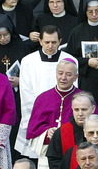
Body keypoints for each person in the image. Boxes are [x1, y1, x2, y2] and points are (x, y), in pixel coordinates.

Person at [15, 25, 76, 158]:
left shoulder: (70, 61)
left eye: (54, 42)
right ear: (40, 41)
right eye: (47, 42)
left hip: (63, 115)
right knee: (36, 156)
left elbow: (73, 93)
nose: (50, 46)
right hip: (37, 116)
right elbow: (25, 92)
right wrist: (35, 118)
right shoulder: (28, 61)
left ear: (60, 41)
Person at [47, 92, 98, 169]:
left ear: (93, 109)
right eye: (76, 110)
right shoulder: (61, 132)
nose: (80, 114)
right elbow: (54, 161)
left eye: (84, 109)